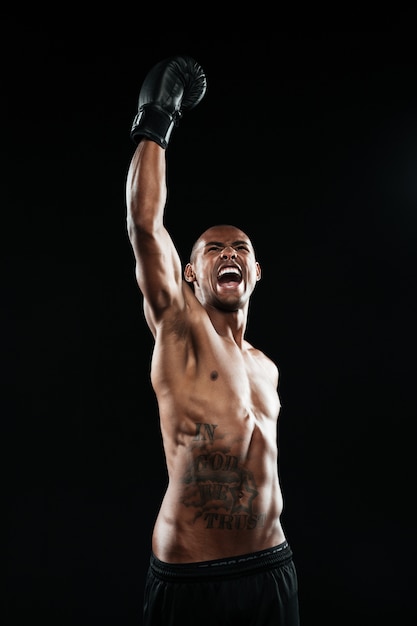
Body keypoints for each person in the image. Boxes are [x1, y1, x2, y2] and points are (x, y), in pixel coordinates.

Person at [125, 55, 301, 626]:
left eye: (241, 249)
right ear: (191, 275)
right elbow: (145, 225)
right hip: (191, 580)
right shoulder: (180, 331)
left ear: (255, 272)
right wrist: (156, 121)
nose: (230, 253)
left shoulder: (266, 368)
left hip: (273, 569)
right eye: (214, 249)